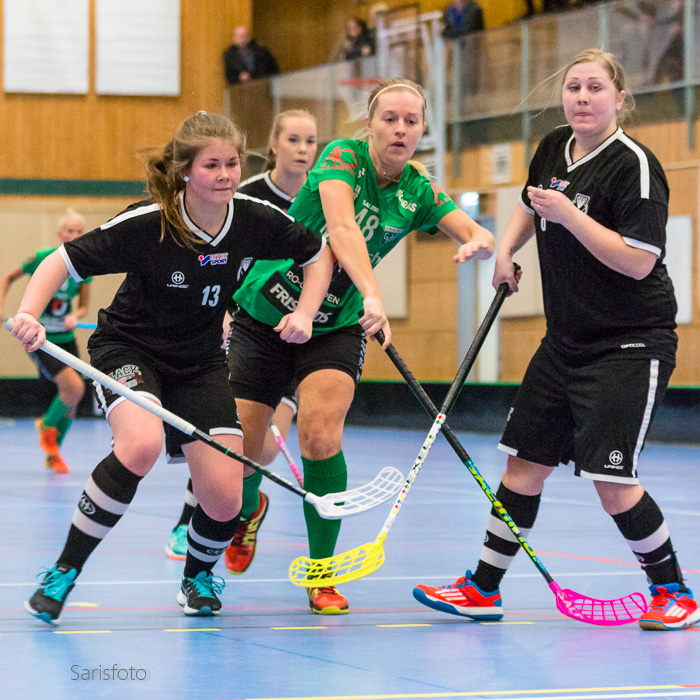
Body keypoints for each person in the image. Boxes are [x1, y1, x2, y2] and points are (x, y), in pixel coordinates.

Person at [413, 49, 699, 632]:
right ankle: (482, 588)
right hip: (564, 339)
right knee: (523, 466)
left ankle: (674, 592)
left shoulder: (635, 166)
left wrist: (570, 216)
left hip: (629, 342)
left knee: (612, 481)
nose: (582, 97)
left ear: (620, 99)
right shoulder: (551, 147)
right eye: (573, 87)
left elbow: (638, 262)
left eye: (596, 87)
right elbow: (530, 201)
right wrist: (507, 250)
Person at [10, 110, 332, 625]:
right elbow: (61, 261)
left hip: (201, 363)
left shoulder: (252, 218)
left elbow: (318, 255)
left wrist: (305, 313)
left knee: (225, 497)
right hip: (128, 350)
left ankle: (196, 578)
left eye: (232, 164)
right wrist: (29, 313)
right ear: (185, 172)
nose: (225, 175)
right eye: (211, 166)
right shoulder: (149, 223)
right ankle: (63, 571)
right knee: (140, 445)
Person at [224, 78, 495, 615]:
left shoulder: (418, 189)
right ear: (369, 124)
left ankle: (321, 573)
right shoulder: (341, 159)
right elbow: (342, 229)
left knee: (320, 435)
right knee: (242, 451)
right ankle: (249, 509)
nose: (400, 129)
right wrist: (374, 292)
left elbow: (471, 229)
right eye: (389, 118)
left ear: (423, 129)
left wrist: (482, 244)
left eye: (411, 121)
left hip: (335, 327)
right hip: (265, 316)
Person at [165, 109, 319, 564]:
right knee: (224, 435)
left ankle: (250, 505)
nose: (303, 150)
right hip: (249, 329)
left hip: (303, 332)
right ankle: (188, 520)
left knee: (265, 453)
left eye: (310, 141)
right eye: (293, 140)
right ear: (273, 144)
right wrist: (223, 313)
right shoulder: (242, 193)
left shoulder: (325, 195)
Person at [0, 209, 91, 473]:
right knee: (74, 389)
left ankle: (53, 453)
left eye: (79, 232)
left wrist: (76, 316)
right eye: (70, 231)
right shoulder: (43, 258)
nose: (74, 235)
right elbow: (8, 277)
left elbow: (83, 306)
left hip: (66, 338)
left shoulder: (85, 266)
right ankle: (47, 426)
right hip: (40, 339)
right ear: (60, 234)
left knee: (72, 401)